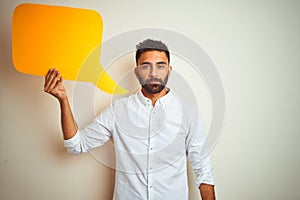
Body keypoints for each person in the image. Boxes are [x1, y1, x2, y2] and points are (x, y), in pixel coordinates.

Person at [44, 39, 215, 200]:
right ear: (137, 72)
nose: (154, 73)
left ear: (169, 70)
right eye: (146, 66)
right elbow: (76, 145)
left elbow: (203, 170)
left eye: (160, 66)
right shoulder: (118, 110)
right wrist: (63, 100)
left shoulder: (188, 113)